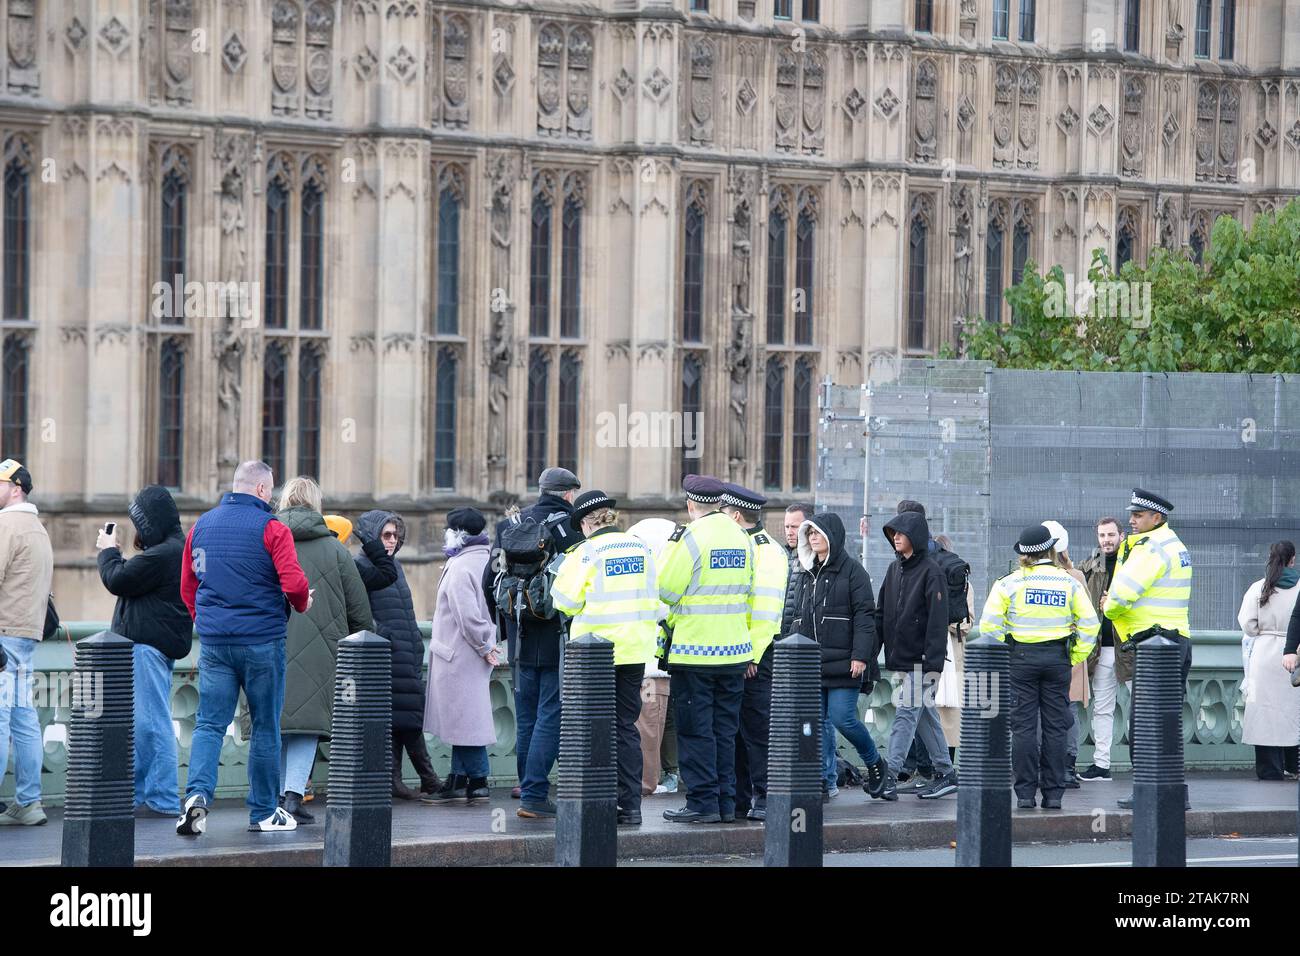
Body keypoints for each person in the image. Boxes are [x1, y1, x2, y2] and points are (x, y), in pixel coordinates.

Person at [177, 460, 312, 836]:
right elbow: (294, 584)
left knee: (208, 723)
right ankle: (264, 812)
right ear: (262, 490)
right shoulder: (273, 528)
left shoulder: (201, 526)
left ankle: (196, 798)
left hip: (216, 643)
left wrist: (205, 621)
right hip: (261, 642)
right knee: (266, 727)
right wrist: (302, 605)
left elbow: (188, 586)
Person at [553, 491, 659, 825]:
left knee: (594, 726)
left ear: (585, 522)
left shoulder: (586, 552)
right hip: (635, 649)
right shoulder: (640, 547)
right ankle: (631, 806)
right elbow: (654, 595)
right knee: (626, 727)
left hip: (595, 654)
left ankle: (598, 799)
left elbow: (564, 601)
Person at [976, 525, 1098, 810]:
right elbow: (1090, 625)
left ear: (1024, 555)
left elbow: (988, 627)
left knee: (1024, 729)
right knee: (1056, 727)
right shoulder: (1068, 583)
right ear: (1051, 550)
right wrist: (1073, 654)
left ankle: (1026, 794)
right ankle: (1054, 794)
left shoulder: (1008, 584)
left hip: (1021, 660)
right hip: (1057, 660)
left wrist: (1008, 650)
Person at [484, 466, 582, 818]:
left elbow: (489, 581)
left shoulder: (510, 525)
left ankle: (527, 787)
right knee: (551, 714)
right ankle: (536, 796)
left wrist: (509, 625)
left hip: (520, 637)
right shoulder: (572, 527)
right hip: (557, 634)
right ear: (569, 493)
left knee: (526, 718)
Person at [659, 474, 757, 824]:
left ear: (690, 505)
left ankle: (702, 803)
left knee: (695, 730)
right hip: (735, 652)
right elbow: (749, 589)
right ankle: (727, 803)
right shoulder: (742, 537)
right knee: (725, 732)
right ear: (720, 504)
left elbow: (667, 590)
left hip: (695, 652)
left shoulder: (691, 536)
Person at [277, 478, 373, 824]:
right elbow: (361, 614)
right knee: (306, 724)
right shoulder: (336, 551)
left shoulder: (267, 543)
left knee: (276, 721)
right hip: (323, 652)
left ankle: (271, 797)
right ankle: (292, 797)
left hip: (270, 644)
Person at [95, 485, 193, 819]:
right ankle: (140, 795)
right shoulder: (173, 550)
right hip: (152, 647)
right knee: (142, 725)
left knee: (152, 724)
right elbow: (134, 580)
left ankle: (163, 799)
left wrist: (108, 551)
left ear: (150, 522)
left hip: (147, 649)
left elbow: (117, 579)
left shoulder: (165, 553)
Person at [786, 511, 887, 800]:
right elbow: (797, 616)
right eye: (809, 534)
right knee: (815, 725)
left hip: (846, 664)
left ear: (832, 536)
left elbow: (865, 618)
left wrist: (860, 656)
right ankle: (823, 779)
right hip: (812, 663)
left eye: (817, 533)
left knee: (842, 718)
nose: (812, 538)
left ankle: (874, 761)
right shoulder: (806, 573)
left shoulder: (854, 572)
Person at [1104, 489, 1192, 811]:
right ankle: (1172, 791)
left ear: (1157, 518)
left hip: (1154, 647)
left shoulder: (1151, 549)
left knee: (1143, 722)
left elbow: (1120, 597)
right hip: (1176, 642)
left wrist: (1109, 608)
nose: (1132, 519)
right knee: (1167, 721)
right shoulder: (1175, 544)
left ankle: (1145, 789)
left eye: (1139, 515)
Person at [355, 509, 443, 801]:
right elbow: (359, 612)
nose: (392, 541)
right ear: (372, 536)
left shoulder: (396, 566)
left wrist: (414, 642)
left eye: (395, 535)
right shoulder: (361, 565)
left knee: (406, 717)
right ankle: (423, 778)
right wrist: (385, 637)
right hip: (386, 654)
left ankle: (412, 779)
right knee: (403, 718)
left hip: (406, 653)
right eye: (386, 535)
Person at [876, 508, 956, 800]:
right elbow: (881, 613)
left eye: (901, 533)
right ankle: (947, 773)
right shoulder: (893, 568)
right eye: (893, 533)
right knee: (925, 719)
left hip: (924, 662)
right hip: (906, 659)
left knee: (905, 715)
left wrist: (933, 664)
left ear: (915, 537)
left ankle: (889, 776)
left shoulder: (932, 571)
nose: (895, 537)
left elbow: (937, 622)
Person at [720, 483, 789, 821]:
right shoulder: (743, 545)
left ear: (735, 515)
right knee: (735, 732)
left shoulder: (767, 551)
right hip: (736, 652)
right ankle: (739, 797)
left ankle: (763, 796)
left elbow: (764, 613)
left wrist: (751, 654)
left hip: (755, 655)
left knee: (757, 731)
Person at [423, 509, 499, 804]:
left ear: (457, 533)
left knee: (468, 720)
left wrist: (484, 646)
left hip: (458, 654)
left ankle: (479, 779)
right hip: (471, 653)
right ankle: (458, 778)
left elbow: (468, 616)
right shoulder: (488, 560)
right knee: (463, 718)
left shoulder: (459, 567)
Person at [0, 458, 53, 826]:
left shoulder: (6, 525)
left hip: (3, 635)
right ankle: (30, 802)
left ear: (15, 487)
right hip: (26, 635)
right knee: (23, 720)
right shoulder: (39, 529)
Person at [1237, 541, 1300, 780]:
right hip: (1294, 654)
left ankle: (1269, 769)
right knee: (1292, 712)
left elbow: (1248, 625)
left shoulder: (1259, 587)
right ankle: (1293, 766)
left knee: (1265, 714)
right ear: (1293, 560)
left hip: (1264, 653)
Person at [627, 518, 676, 797]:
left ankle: (650, 779)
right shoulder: (659, 579)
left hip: (636, 664)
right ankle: (648, 781)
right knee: (652, 724)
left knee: (648, 723)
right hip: (653, 669)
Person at [1078, 517, 1127, 780]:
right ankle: (1101, 765)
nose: (1106, 540)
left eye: (1110, 535)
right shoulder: (1090, 565)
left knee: (1142, 710)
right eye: (1101, 535)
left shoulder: (1133, 563)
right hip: (1104, 648)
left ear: (1122, 535)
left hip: (1132, 649)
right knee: (1103, 709)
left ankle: (1147, 765)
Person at [1041, 520, 1088, 789]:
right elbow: (1088, 618)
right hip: (1071, 652)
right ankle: (1067, 766)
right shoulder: (1076, 577)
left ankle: (1044, 765)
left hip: (1043, 650)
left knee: (1041, 711)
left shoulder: (1028, 577)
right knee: (1067, 710)